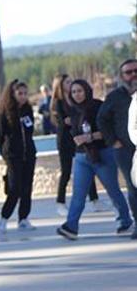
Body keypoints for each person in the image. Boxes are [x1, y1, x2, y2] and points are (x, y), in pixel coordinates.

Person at [56, 80, 133, 240]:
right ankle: (71, 226)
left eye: (80, 91)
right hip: (82, 156)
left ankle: (125, 220)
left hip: (102, 154)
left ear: (87, 91)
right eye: (74, 92)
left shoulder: (98, 106)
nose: (77, 94)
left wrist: (89, 137)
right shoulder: (73, 110)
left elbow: (108, 130)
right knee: (78, 194)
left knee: (113, 190)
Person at [97, 58, 137, 239]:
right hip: (125, 150)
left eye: (136, 70)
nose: (133, 75)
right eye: (129, 72)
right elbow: (101, 119)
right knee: (133, 187)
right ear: (122, 76)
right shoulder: (114, 97)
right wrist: (113, 141)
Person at [52, 74, 100, 215]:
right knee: (66, 172)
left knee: (88, 167)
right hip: (65, 140)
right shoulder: (59, 103)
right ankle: (60, 202)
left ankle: (94, 199)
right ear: (61, 85)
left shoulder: (75, 101)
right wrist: (73, 119)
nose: (71, 84)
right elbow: (64, 121)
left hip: (78, 138)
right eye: (67, 82)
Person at [0, 80, 37, 234]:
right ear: (13, 94)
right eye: (20, 93)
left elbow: (30, 130)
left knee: (27, 187)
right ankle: (4, 218)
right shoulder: (5, 113)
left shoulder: (27, 110)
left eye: (25, 93)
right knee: (14, 188)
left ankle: (23, 218)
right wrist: (5, 154)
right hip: (13, 156)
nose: (23, 96)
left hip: (28, 154)